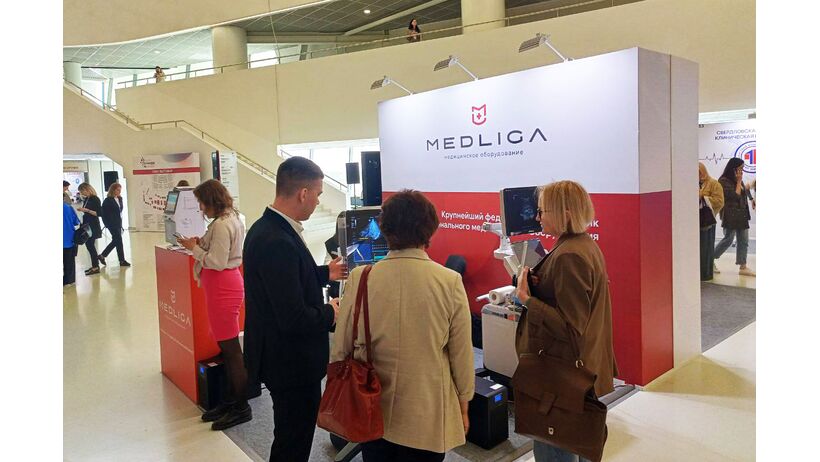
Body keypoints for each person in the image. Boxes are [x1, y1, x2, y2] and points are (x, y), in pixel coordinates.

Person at [330, 190, 474, 462]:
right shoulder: (449, 281)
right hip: (427, 408)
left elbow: (341, 346)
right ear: (430, 229)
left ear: (384, 228)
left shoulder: (361, 277)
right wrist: (464, 402)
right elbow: (461, 353)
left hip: (370, 402)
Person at [242, 157, 348, 461]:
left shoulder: (267, 228)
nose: (317, 201)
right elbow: (292, 317)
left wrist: (323, 273)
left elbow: (285, 280)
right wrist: (331, 312)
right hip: (291, 363)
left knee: (291, 434)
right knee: (293, 440)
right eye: (317, 194)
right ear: (303, 193)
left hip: (280, 356)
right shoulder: (277, 241)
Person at [514, 180, 617, 462]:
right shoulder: (581, 245)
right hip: (578, 367)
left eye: (542, 211)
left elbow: (570, 328)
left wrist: (527, 299)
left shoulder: (570, 255)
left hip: (562, 373)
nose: (538, 217)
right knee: (575, 443)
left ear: (565, 213)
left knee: (555, 444)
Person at [177, 179, 250, 430]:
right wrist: (201, 244)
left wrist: (194, 249)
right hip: (224, 286)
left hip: (223, 288)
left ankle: (241, 407)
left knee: (231, 350)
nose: (200, 208)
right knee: (227, 349)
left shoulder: (221, 224)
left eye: (201, 203)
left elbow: (217, 262)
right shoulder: (230, 218)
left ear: (211, 201)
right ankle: (231, 401)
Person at [713, 158, 755, 277]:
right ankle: (709, 259)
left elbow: (744, 191)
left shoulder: (738, 179)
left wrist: (751, 199)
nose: (742, 171)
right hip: (730, 214)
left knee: (743, 240)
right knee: (728, 239)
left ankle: (743, 266)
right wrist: (739, 181)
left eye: (742, 168)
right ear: (733, 168)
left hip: (742, 214)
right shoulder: (723, 181)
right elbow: (734, 196)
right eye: (740, 168)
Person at [699, 162, 724, 281]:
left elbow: (720, 202)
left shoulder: (714, 184)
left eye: (698, 172)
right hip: (692, 223)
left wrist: (703, 198)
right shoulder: (688, 184)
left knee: (706, 249)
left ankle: (705, 274)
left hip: (706, 223)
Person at [99, 183, 131, 267]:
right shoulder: (107, 200)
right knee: (118, 240)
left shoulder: (120, 199)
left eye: (120, 190)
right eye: (117, 190)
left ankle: (103, 255)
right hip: (111, 224)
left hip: (118, 222)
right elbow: (103, 214)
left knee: (117, 241)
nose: (119, 191)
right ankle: (121, 260)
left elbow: (120, 211)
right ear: (113, 190)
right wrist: (106, 224)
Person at [77, 183, 103, 276]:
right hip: (87, 225)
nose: (82, 193)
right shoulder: (87, 199)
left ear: (87, 189)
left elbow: (99, 213)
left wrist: (86, 210)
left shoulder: (95, 199)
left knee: (90, 246)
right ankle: (95, 266)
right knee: (89, 246)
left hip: (93, 225)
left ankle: (95, 267)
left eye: (82, 191)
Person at [64, 201, 80, 286]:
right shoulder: (68, 208)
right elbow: (76, 222)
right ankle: (69, 280)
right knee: (69, 260)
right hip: (68, 238)